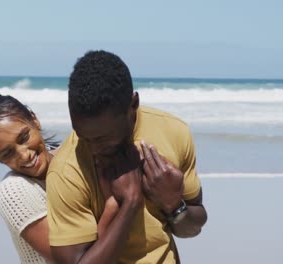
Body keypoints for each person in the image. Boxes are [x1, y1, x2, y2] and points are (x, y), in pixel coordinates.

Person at [46, 50, 208, 263]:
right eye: (82, 135)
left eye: (103, 139)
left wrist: (174, 205)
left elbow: (192, 228)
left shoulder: (173, 132)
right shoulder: (66, 171)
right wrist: (130, 203)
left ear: (133, 106)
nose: (93, 149)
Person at [0, 94, 119, 264]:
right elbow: (72, 260)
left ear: (35, 120)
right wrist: (116, 204)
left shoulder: (75, 156)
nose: (24, 155)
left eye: (24, 138)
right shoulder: (15, 191)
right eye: (7, 153)